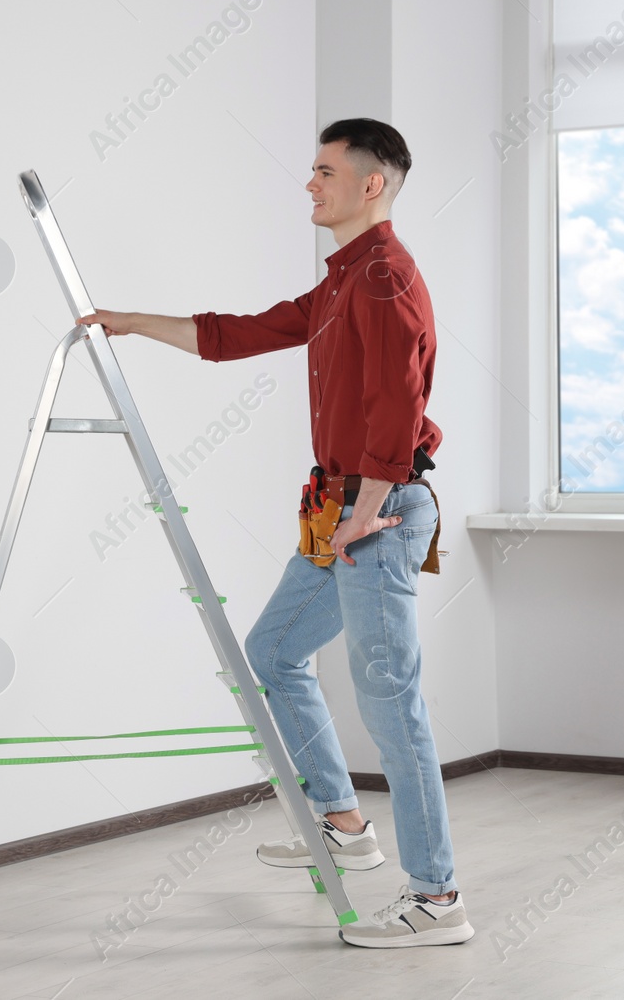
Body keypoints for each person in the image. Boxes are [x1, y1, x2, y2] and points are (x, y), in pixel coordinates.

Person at [76, 118, 471, 949]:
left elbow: (398, 397)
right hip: (344, 511)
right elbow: (237, 335)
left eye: (324, 170)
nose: (309, 182)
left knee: (391, 703)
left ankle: (437, 899)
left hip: (379, 512)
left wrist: (368, 506)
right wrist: (133, 321)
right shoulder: (339, 283)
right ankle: (343, 822)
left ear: (373, 184)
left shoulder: (385, 275)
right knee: (275, 652)